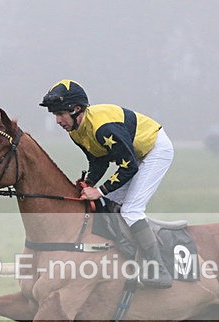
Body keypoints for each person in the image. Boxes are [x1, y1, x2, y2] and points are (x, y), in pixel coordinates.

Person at [39, 79, 174, 288]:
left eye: (60, 114)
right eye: (54, 115)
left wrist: (99, 190)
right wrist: (88, 183)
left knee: (131, 210)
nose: (57, 121)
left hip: (155, 150)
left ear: (76, 110)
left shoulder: (103, 128)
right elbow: (99, 160)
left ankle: (159, 270)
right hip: (133, 154)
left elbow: (129, 167)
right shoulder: (76, 131)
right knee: (107, 205)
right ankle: (125, 258)